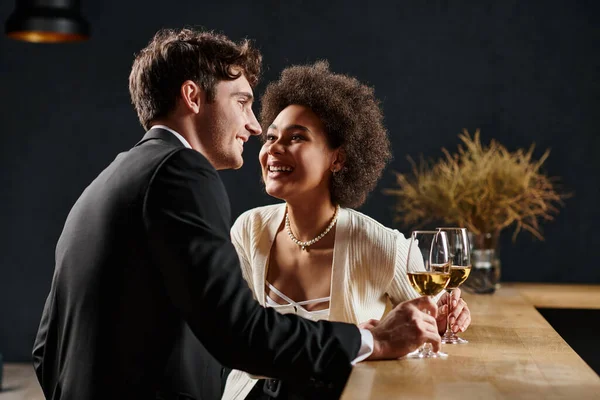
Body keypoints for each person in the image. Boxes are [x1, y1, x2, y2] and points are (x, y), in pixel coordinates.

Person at [32, 29, 444, 400]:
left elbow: (45, 348)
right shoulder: (183, 172)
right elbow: (241, 334)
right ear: (193, 97)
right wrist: (373, 341)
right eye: (243, 102)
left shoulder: (105, 181)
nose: (252, 126)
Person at [223, 61, 472, 399]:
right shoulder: (248, 229)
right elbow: (236, 337)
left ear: (337, 159)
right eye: (271, 137)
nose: (273, 149)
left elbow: (429, 317)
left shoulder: (380, 244)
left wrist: (447, 316)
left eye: (296, 137)